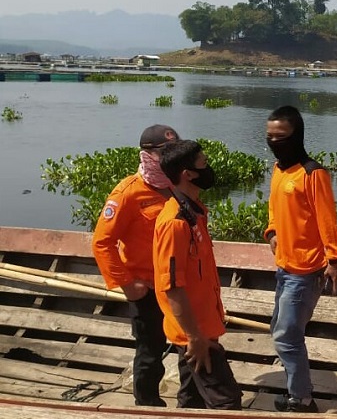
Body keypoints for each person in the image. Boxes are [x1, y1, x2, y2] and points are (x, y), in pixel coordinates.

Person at [263, 105, 337, 413]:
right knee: (281, 331)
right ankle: (297, 391)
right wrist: (271, 230)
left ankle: (302, 400)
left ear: (296, 136)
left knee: (286, 337)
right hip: (283, 266)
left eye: (280, 136)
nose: (273, 141)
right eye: (269, 136)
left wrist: (334, 259)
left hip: (306, 270)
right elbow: (274, 207)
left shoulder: (313, 173)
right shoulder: (277, 169)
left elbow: (327, 219)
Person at [92, 124, 179, 406]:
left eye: (174, 151)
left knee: (190, 344)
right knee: (150, 352)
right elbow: (102, 243)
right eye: (164, 152)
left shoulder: (178, 186)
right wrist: (127, 284)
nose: (170, 157)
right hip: (147, 288)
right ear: (147, 154)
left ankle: (192, 403)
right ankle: (147, 405)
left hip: (178, 286)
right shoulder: (128, 193)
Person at [153, 139, 242, 410]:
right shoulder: (175, 224)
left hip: (203, 325)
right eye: (203, 163)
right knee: (227, 402)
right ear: (188, 174)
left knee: (191, 399)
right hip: (195, 334)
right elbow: (173, 288)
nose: (209, 168)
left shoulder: (194, 214)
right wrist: (195, 338)